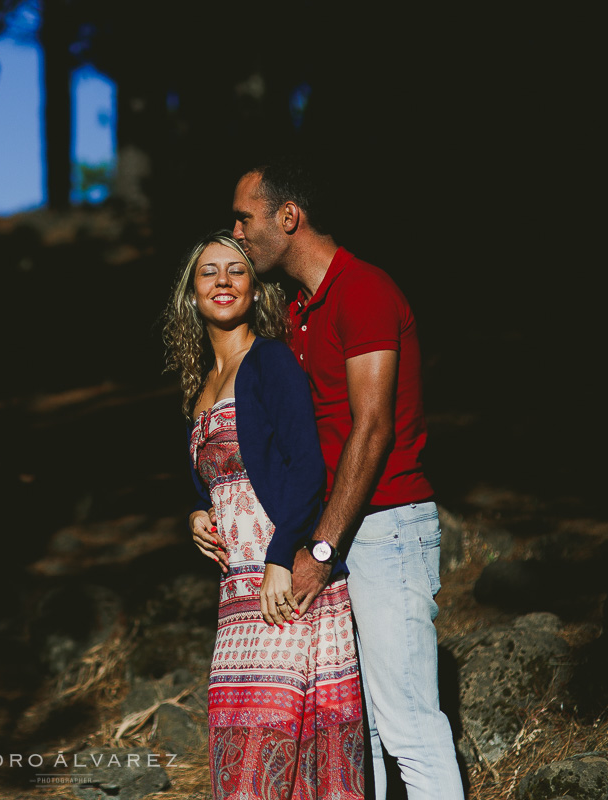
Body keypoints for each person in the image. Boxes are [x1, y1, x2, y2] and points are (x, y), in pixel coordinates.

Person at [205, 160, 464, 800]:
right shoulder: (297, 313)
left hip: (385, 526)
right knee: (359, 735)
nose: (235, 231)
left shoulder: (364, 290)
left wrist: (319, 548)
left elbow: (371, 429)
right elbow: (287, 444)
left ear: (287, 217)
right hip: (340, 532)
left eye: (245, 216)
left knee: (407, 725)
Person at [164, 231, 365, 800]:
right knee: (242, 747)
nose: (223, 281)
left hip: (284, 581)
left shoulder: (271, 361)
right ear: (191, 294)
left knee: (283, 748)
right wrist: (197, 515)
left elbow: (308, 467)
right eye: (209, 272)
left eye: (236, 270)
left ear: (255, 290)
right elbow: (219, 479)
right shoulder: (198, 388)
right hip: (235, 595)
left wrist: (282, 559)